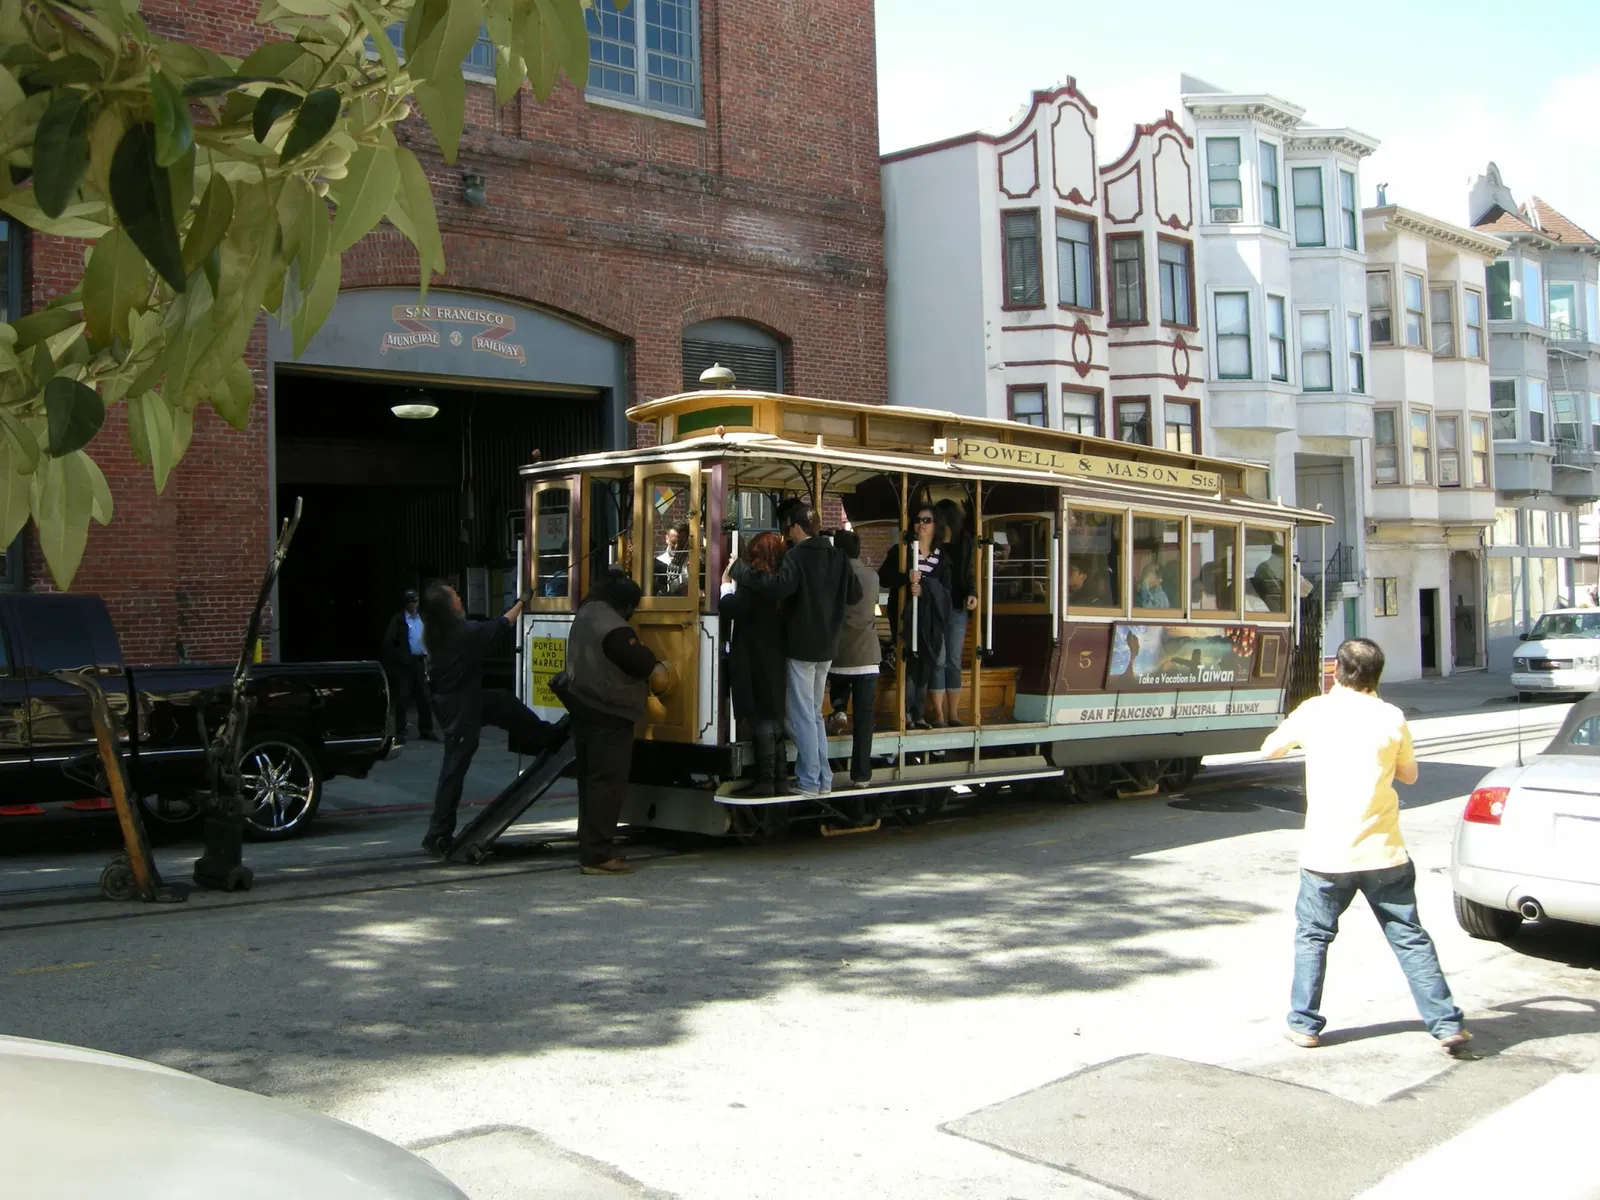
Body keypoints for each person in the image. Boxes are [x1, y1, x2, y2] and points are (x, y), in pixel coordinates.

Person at [1260, 638, 1470, 1054]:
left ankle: (1304, 1024)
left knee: (1313, 937)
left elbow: (1270, 749)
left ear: (1336, 671)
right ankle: (1446, 1024)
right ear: (1377, 674)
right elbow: (1409, 776)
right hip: (1384, 852)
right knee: (1409, 936)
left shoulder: (1315, 711)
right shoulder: (1391, 717)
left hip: (1326, 854)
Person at [419, 581, 561, 857]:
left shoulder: (438, 633)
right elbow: (500, 625)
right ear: (448, 608)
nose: (460, 598)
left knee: (502, 702)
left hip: (461, 701)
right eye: (456, 596)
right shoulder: (460, 633)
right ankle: (438, 832)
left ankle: (547, 735)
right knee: (455, 766)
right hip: (460, 710)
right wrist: (521, 602)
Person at [734, 500, 863, 796]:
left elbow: (778, 587)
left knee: (802, 715)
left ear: (794, 526)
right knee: (815, 714)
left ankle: (809, 779)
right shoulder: (838, 556)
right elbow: (854, 594)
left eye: (786, 528)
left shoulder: (796, 556)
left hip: (802, 645)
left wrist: (741, 571)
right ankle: (823, 779)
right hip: (828, 646)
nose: (785, 535)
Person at [561, 568, 666, 875]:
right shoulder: (615, 628)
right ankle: (598, 854)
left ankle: (589, 844)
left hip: (582, 706)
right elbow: (643, 663)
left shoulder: (587, 611)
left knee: (590, 781)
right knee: (607, 783)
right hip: (609, 712)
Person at [719, 533, 789, 796]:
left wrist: (725, 585)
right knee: (773, 711)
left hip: (754, 654)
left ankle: (766, 779)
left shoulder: (756, 580)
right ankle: (779, 778)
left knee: (761, 714)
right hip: (776, 654)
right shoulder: (781, 577)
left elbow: (733, 607)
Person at [879, 502, 950, 729]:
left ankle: (918, 713)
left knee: (925, 664)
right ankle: (906, 713)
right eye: (918, 520)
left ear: (935, 525)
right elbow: (884, 579)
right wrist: (906, 579)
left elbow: (946, 591)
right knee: (909, 663)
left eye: (926, 520)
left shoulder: (942, 557)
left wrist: (925, 589)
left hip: (930, 619)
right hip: (905, 616)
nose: (921, 524)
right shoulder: (901, 551)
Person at [825, 529, 881, 785]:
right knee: (865, 719)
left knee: (836, 684)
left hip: (839, 654)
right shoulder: (872, 576)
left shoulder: (833, 576)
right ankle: (862, 774)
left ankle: (838, 708)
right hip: (868, 654)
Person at [936, 499, 978, 725]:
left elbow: (970, 571)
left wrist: (972, 592)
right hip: (937, 606)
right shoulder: (935, 540)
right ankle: (941, 714)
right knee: (941, 659)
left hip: (957, 605)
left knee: (951, 659)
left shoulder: (965, 540)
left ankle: (952, 713)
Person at [381, 588, 434, 741]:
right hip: (405, 664)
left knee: (424, 696)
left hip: (420, 661)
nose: (413, 604)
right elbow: (388, 642)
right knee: (403, 697)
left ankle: (426, 730)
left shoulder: (422, 618)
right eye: (409, 601)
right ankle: (401, 731)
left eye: (415, 601)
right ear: (405, 604)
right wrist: (399, 658)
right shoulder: (398, 620)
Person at [654, 524, 690, 596]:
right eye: (673, 543)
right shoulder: (658, 562)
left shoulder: (694, 562)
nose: (676, 547)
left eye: (680, 543)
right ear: (667, 538)